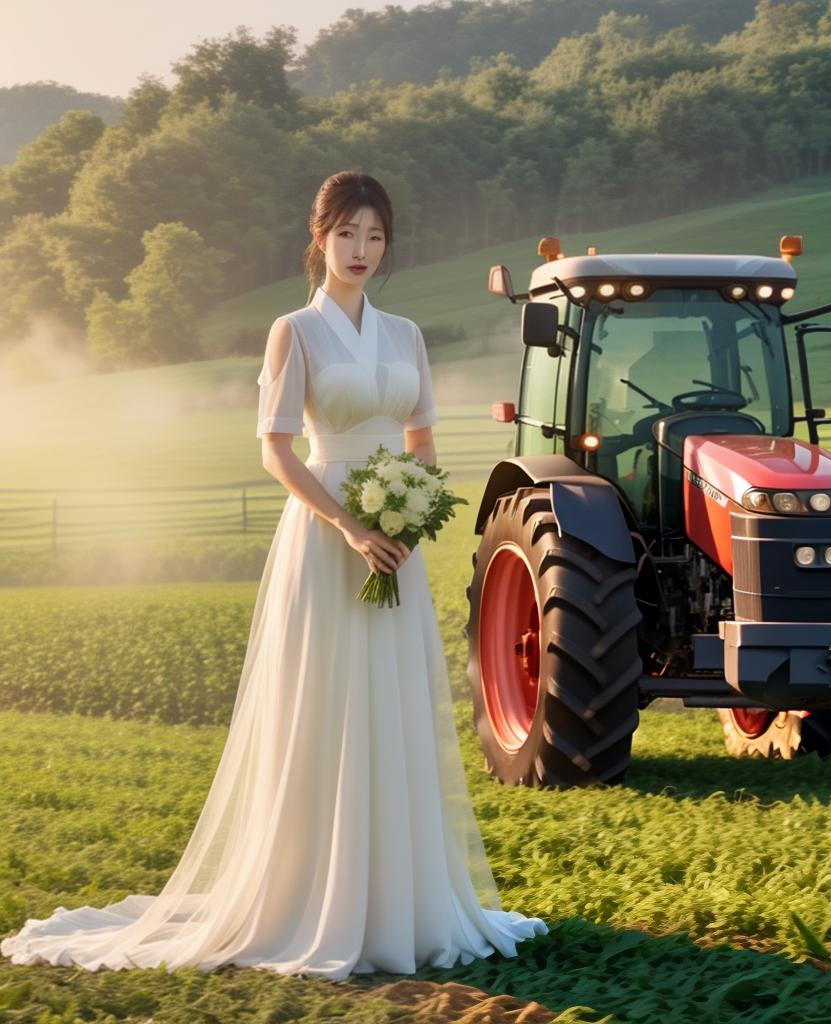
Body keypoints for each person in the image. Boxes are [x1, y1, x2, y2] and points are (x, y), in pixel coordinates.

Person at [0, 171, 550, 979]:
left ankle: (394, 896)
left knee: (389, 703)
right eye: (347, 235)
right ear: (319, 237)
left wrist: (409, 512)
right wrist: (352, 525)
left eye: (375, 237)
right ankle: (307, 896)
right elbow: (278, 448)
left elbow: (422, 438)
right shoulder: (295, 331)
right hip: (326, 538)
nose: (361, 251)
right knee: (323, 702)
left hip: (394, 544)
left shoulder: (405, 335)